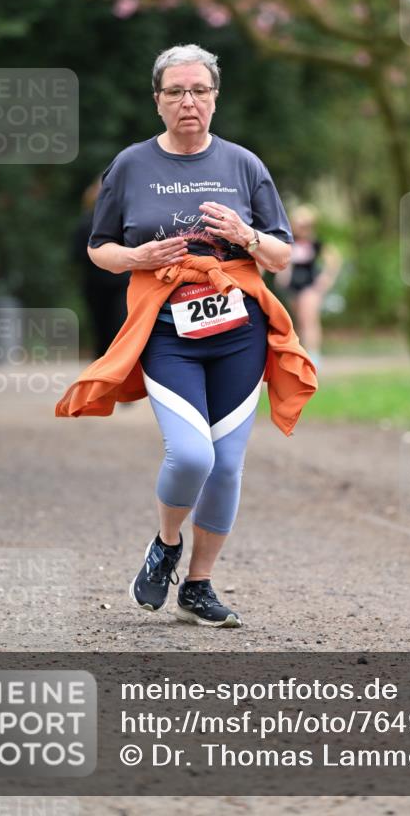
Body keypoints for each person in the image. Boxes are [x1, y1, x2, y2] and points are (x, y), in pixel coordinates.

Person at [80, 43, 312, 628]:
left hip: (239, 332)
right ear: (157, 101)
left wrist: (247, 235)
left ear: (215, 98)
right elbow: (98, 249)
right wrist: (137, 255)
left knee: (227, 466)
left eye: (200, 91)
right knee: (190, 455)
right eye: (177, 91)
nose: (189, 101)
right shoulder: (130, 165)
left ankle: (200, 586)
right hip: (167, 332)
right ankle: (165, 545)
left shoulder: (244, 165)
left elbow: (283, 254)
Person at [274, 205, 342, 368]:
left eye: (305, 224)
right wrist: (282, 275)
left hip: (310, 286)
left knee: (309, 319)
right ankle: (302, 353)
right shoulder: (289, 242)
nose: (302, 228)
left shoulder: (316, 243)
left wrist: (326, 279)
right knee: (299, 320)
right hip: (293, 287)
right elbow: (284, 262)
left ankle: (314, 355)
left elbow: (333, 259)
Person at [71, 176, 130, 357]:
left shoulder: (127, 218)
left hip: (122, 284)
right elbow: (77, 254)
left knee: (119, 324)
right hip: (96, 284)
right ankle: (102, 367)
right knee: (100, 327)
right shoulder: (86, 222)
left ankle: (119, 364)